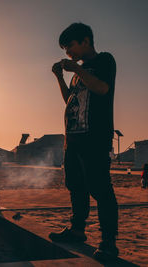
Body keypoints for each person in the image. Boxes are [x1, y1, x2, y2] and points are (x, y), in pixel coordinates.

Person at [49, 23, 119, 261]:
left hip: (95, 137)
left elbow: (101, 88)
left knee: (100, 189)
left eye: (70, 45)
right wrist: (60, 77)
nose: (68, 51)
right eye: (65, 48)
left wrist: (76, 70)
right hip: (74, 138)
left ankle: (108, 243)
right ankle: (78, 230)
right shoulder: (78, 72)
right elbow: (71, 100)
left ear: (86, 41)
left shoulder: (104, 61)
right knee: (75, 186)